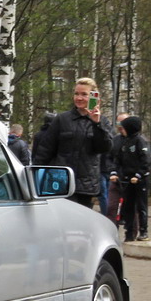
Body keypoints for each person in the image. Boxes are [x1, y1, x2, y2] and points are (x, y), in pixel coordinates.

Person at [32, 77, 113, 209]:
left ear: (94, 97)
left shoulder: (102, 121)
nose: (79, 98)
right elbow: (46, 149)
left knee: (81, 224)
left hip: (86, 184)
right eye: (76, 94)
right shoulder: (62, 119)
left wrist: (96, 124)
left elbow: (105, 148)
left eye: (84, 94)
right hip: (61, 182)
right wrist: (35, 174)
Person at [110, 115, 151, 241]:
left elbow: (146, 161)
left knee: (141, 206)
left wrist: (138, 175)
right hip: (127, 179)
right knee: (127, 206)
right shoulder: (125, 142)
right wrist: (114, 172)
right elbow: (118, 159)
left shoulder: (140, 141)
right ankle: (129, 232)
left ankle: (144, 231)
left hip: (140, 180)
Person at [104, 113, 130, 227]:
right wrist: (112, 171)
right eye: (118, 123)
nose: (120, 126)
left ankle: (132, 232)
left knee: (132, 208)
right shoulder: (115, 140)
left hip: (131, 180)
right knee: (111, 207)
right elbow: (108, 158)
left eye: (123, 123)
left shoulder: (138, 140)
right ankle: (111, 229)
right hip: (116, 179)